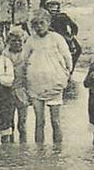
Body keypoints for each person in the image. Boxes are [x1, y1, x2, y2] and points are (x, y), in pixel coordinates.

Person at [25, 9, 73, 146]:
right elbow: (23, 59)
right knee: (39, 120)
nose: (39, 26)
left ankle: (57, 151)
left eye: (42, 23)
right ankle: (40, 152)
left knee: (55, 120)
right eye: (35, 24)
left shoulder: (56, 38)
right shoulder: (30, 40)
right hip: (36, 84)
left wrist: (67, 74)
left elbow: (67, 56)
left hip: (54, 83)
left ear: (48, 23)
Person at [6, 29, 30, 143]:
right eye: (13, 41)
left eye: (19, 41)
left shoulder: (27, 55)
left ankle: (23, 147)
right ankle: (10, 149)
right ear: (8, 42)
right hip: (7, 92)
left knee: (22, 123)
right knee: (9, 123)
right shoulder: (4, 55)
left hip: (22, 91)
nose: (16, 43)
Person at [47, 0, 82, 71]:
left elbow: (74, 26)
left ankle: (70, 71)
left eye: (55, 7)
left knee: (78, 50)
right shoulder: (45, 18)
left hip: (64, 36)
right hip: (51, 38)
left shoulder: (63, 16)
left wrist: (72, 35)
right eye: (51, 7)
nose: (53, 9)